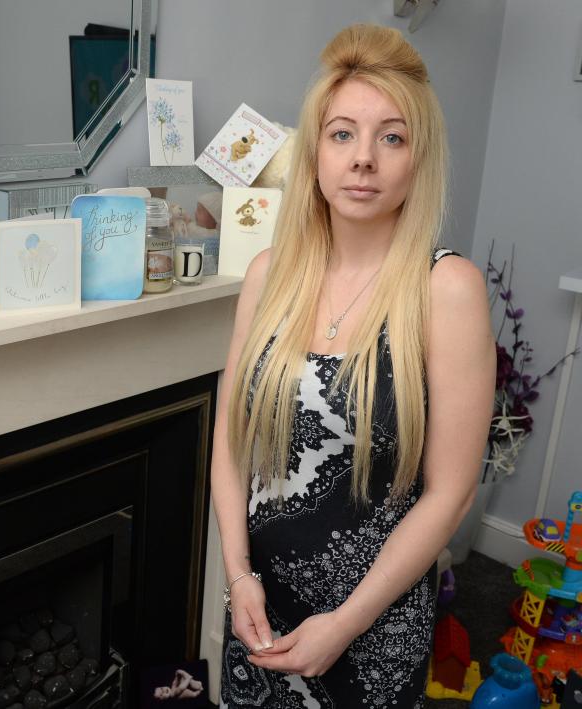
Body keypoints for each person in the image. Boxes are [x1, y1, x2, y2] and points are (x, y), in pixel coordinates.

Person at [211, 24, 495, 707]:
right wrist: (238, 576)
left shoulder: (446, 289)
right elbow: (230, 439)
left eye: (390, 137)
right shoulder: (268, 275)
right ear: (314, 154)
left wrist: (344, 623)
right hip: (259, 609)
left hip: (371, 625)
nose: (363, 158)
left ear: (416, 158)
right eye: (342, 134)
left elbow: (450, 492)